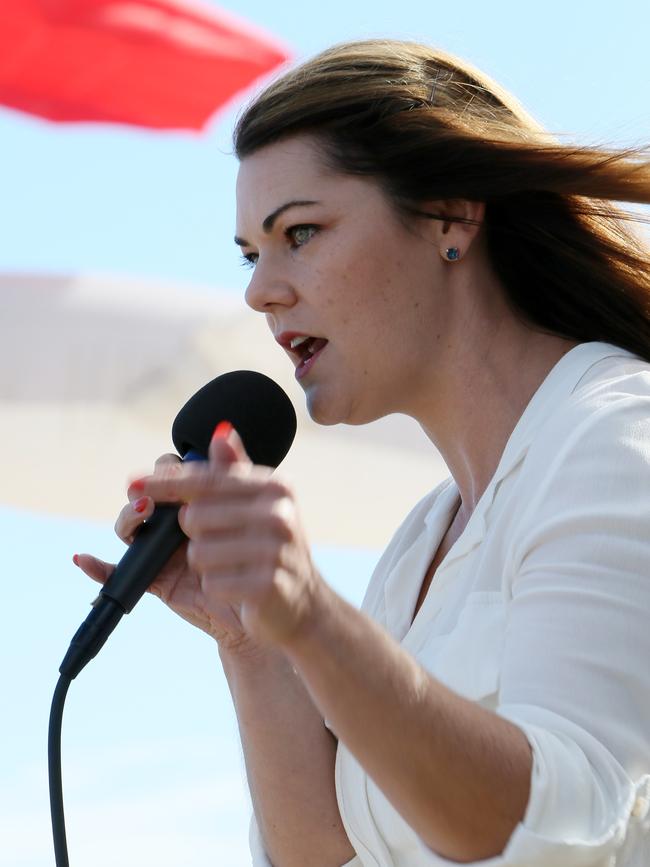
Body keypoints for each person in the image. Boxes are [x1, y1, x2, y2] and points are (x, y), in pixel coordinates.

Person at [75, 40, 650, 867]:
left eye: (299, 232)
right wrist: (256, 638)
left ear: (450, 215)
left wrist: (315, 616)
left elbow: (559, 818)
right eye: (250, 253)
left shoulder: (616, 434)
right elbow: (327, 854)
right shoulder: (420, 546)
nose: (258, 290)